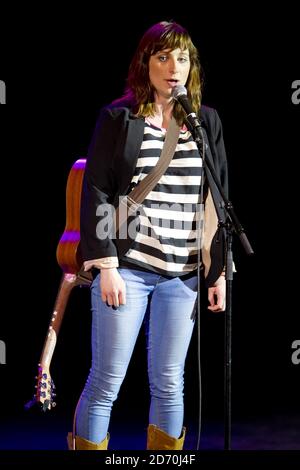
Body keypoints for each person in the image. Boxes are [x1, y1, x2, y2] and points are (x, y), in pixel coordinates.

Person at [67, 20, 228, 451]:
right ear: (145, 63)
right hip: (128, 268)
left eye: (182, 58)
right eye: (163, 57)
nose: (173, 66)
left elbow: (216, 198)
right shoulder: (119, 118)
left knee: (170, 382)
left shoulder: (205, 122)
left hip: (184, 274)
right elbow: (97, 189)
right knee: (107, 381)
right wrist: (106, 266)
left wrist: (219, 273)